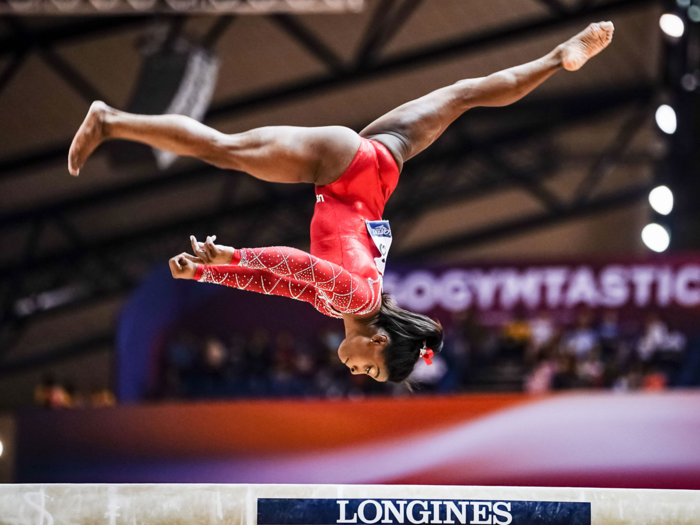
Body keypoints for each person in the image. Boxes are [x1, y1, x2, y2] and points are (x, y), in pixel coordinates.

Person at [68, 23, 614, 383]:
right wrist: (227, 257)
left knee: (465, 95)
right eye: (373, 371)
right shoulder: (353, 298)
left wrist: (211, 273)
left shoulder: (353, 302)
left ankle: (555, 57)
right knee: (224, 150)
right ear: (378, 341)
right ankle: (111, 120)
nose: (359, 373)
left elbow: (279, 283)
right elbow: (295, 264)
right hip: (341, 166)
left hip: (381, 163)